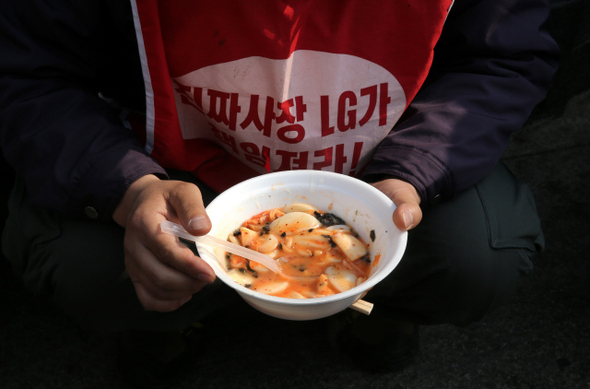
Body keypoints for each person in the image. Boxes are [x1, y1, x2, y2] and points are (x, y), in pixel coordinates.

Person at [0, 0, 558, 387]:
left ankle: (382, 309)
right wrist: (125, 186)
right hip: (168, 165)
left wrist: (417, 169)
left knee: (480, 251)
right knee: (87, 267)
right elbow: (29, 76)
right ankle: (163, 320)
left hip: (384, 162)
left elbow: (502, 58)